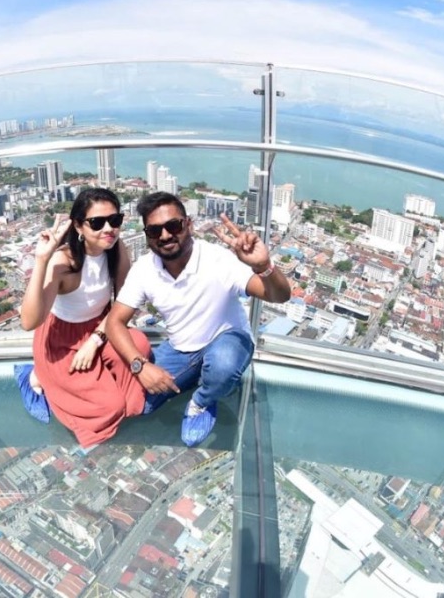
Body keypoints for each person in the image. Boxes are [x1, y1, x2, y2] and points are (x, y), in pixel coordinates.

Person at [106, 191, 291, 447]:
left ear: (188, 224)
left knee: (224, 365)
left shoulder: (218, 259)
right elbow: (114, 322)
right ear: (147, 235)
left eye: (173, 225)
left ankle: (201, 401)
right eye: (155, 230)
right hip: (182, 347)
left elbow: (279, 296)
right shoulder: (144, 270)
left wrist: (263, 266)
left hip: (227, 338)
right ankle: (201, 376)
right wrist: (141, 366)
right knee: (142, 406)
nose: (165, 235)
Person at [15, 188, 151, 448]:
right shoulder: (63, 263)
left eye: (115, 220)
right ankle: (34, 376)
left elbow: (122, 304)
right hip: (60, 342)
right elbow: (29, 322)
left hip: (100, 328)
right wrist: (41, 260)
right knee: (110, 408)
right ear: (78, 225)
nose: (108, 229)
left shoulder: (116, 249)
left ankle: (88, 380)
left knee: (140, 348)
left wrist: (95, 341)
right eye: (97, 223)